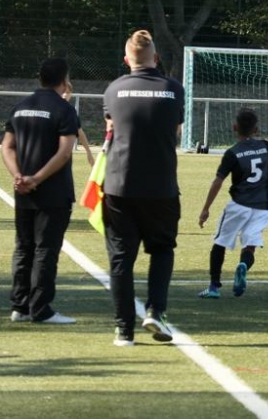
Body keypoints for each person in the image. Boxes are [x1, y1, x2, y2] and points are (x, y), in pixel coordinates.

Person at [101, 30, 185, 346]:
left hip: (119, 184)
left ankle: (123, 330)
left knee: (121, 258)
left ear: (126, 60)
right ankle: (156, 311)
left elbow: (112, 127)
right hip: (161, 185)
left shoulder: (114, 89)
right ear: (157, 58)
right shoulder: (173, 89)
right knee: (161, 250)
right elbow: (175, 129)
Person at [2, 58, 80, 325]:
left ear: (40, 79)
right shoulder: (64, 109)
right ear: (64, 81)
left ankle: (20, 306)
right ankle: (41, 309)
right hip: (54, 193)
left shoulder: (20, 107)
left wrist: (19, 176)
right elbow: (64, 152)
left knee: (24, 247)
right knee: (46, 249)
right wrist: (37, 178)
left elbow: (7, 146)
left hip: (23, 192)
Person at [197, 108, 268, 299]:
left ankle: (214, 288)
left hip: (239, 205)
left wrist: (206, 209)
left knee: (220, 243)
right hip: (264, 206)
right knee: (250, 244)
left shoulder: (232, 153)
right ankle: (243, 264)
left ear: (235, 127)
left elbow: (218, 181)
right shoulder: (265, 146)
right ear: (256, 129)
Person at [63, 81, 95, 167]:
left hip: (64, 155)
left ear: (71, 94)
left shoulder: (71, 111)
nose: (65, 95)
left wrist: (88, 152)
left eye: (67, 92)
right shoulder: (48, 108)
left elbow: (80, 132)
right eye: (63, 92)